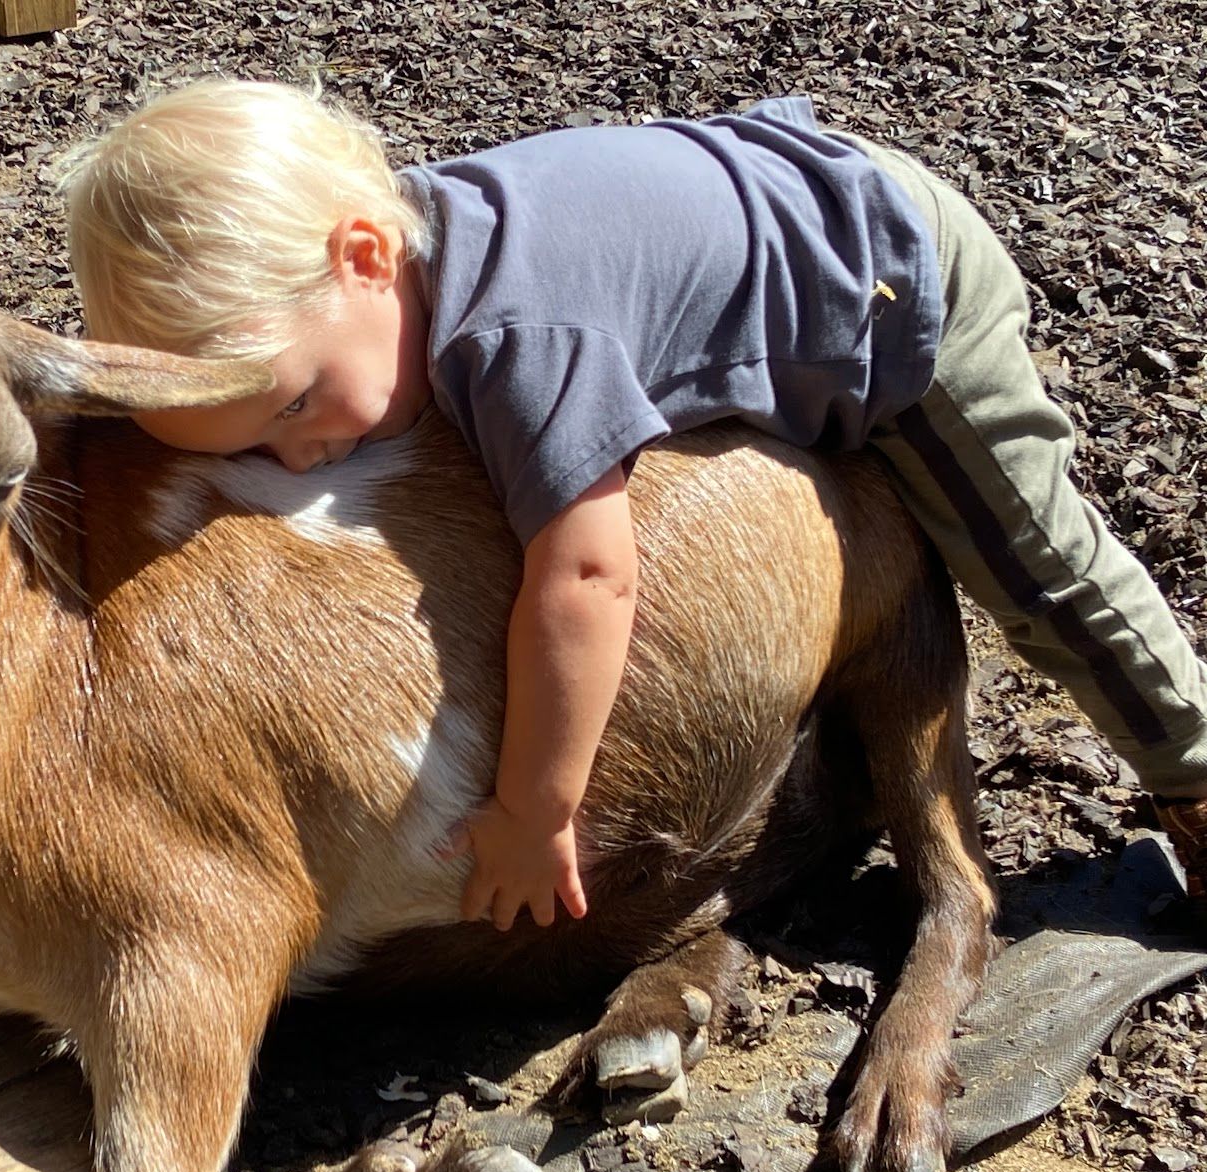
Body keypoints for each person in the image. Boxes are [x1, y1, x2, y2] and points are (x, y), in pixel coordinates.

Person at [59, 78, 1207, 927]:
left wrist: (535, 811)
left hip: (894, 287)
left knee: (1036, 566)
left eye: (294, 405)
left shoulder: (520, 348)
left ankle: (1191, 770)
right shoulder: (398, 256)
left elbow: (590, 578)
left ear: (365, 253)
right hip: (766, 182)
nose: (301, 458)